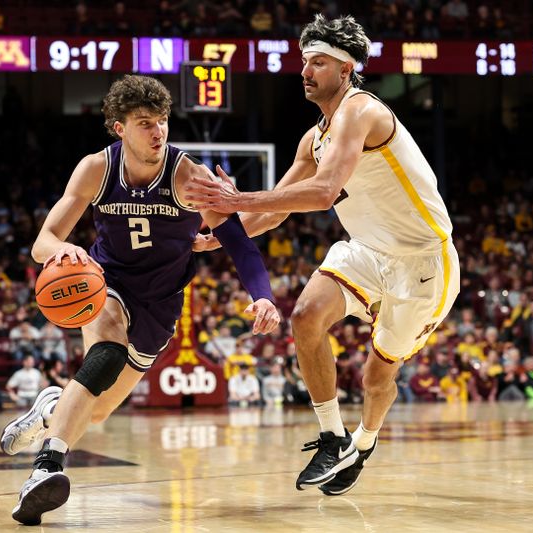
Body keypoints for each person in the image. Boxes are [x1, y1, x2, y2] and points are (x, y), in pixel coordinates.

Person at [186, 14, 460, 496]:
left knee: (377, 378)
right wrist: (220, 235)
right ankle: (333, 436)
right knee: (306, 315)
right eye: (304, 62)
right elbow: (274, 213)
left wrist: (237, 200)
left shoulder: (362, 110)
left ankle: (365, 440)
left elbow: (325, 192)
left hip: (423, 263)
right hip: (368, 251)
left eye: (318, 62)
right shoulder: (313, 138)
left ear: (346, 69)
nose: (306, 71)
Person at [2, 75, 280, 525]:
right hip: (106, 282)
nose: (158, 132)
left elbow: (238, 241)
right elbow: (43, 242)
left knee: (99, 410)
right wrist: (63, 250)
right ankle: (45, 468)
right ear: (119, 128)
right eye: (145, 123)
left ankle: (52, 407)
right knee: (106, 352)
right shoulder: (97, 168)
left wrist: (262, 296)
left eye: (163, 122)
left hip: (162, 299)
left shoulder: (190, 176)